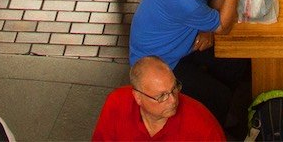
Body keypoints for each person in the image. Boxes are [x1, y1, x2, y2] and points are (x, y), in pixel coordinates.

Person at [129, 0, 247, 135]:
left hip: (182, 43)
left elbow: (218, 3)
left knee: (236, 63)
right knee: (220, 96)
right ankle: (209, 127)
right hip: (161, 60)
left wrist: (207, 27)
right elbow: (224, 26)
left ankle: (205, 102)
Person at [90, 56, 223, 141]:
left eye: (174, 88)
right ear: (138, 97)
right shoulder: (117, 103)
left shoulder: (203, 126)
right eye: (162, 96)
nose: (173, 100)